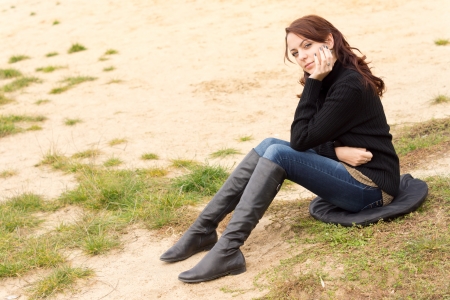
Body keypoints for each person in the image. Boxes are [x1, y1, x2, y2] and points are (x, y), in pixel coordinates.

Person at [160, 14, 400, 283]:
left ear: (329, 40)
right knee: (268, 145)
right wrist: (336, 152)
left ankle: (227, 250)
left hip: (372, 187)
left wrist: (313, 82)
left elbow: (300, 139)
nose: (302, 57)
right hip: (346, 170)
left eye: (308, 45)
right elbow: (311, 137)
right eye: (296, 52)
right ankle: (203, 230)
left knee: (279, 152)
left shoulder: (348, 84)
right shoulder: (331, 78)